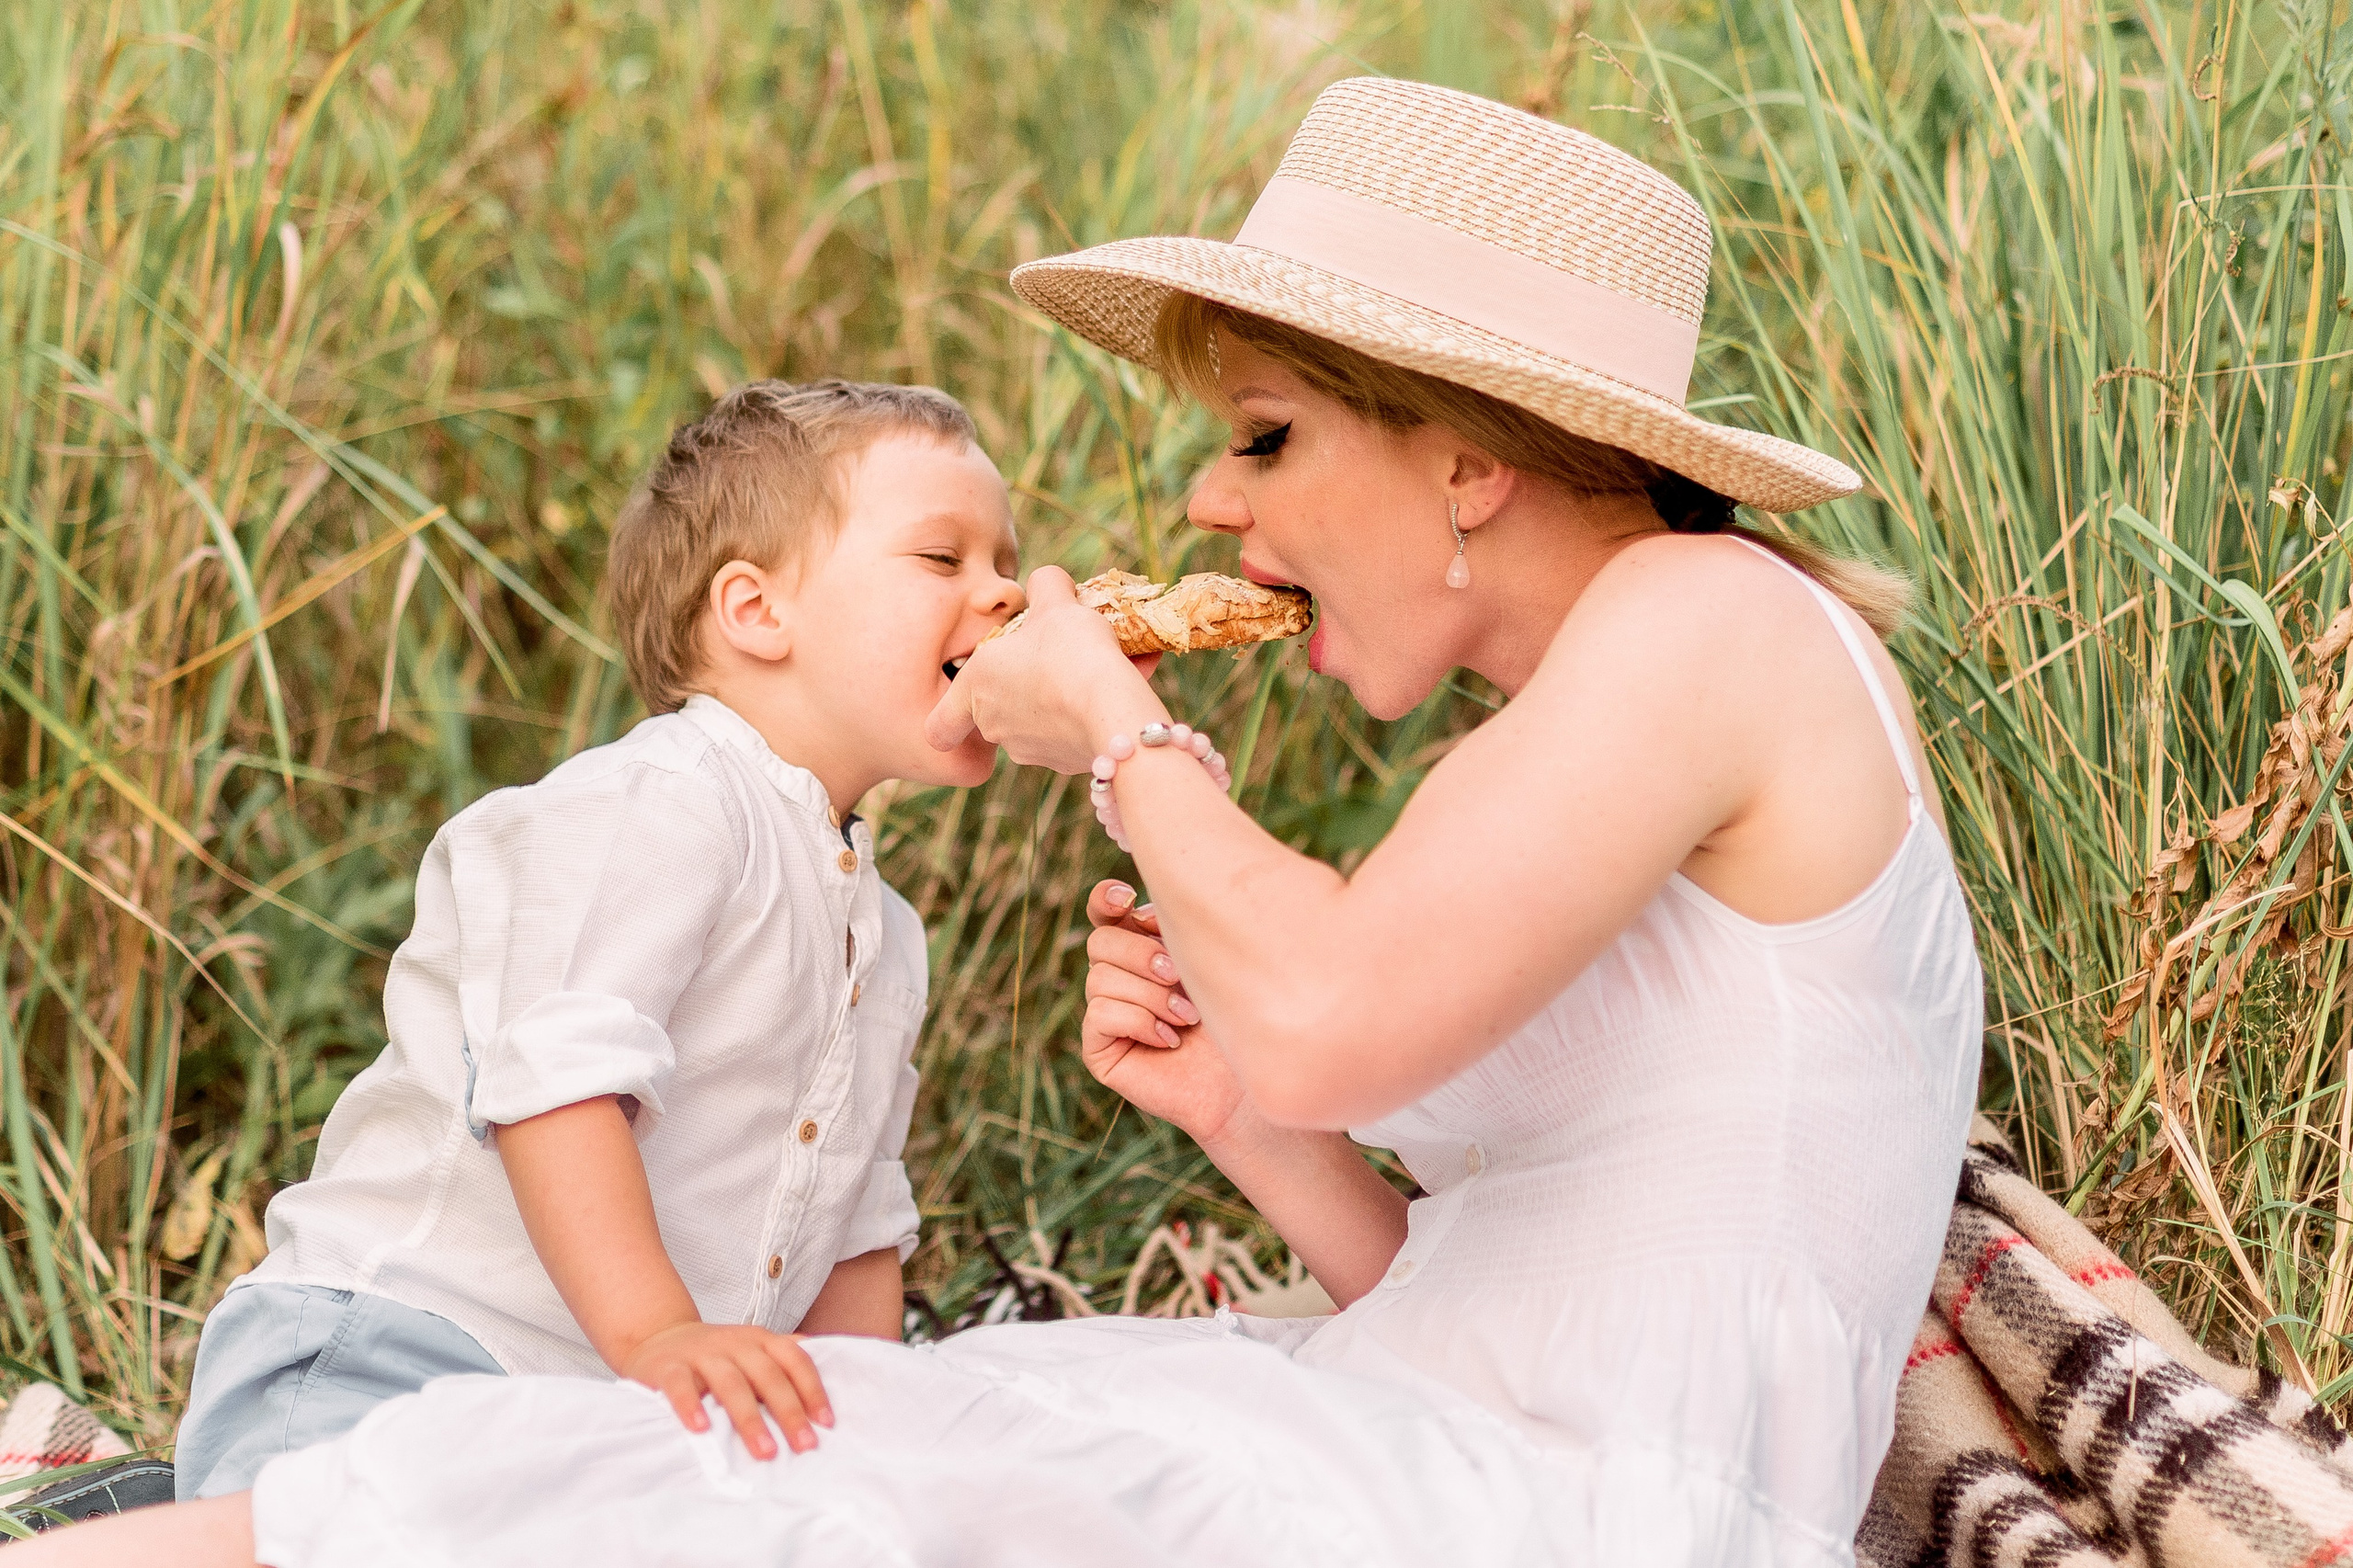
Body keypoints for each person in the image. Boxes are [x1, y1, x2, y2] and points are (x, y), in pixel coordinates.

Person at [28, 76, 1980, 1568]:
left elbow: (1337, 1017)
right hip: (1462, 1432)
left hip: (1563, 1516)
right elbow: (1492, 1294)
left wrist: (1124, 735)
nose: (1212, 512)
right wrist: (1246, 1119)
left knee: (801, 1482)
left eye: (1262, 434)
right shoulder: (1557, 726)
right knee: (814, 1456)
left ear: (1465, 456)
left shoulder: (1704, 618)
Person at [166, 380, 1027, 1498]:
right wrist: (661, 1332)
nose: (1007, 592)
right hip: (400, 1351)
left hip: (602, 1412)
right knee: (332, 1531)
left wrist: (855, 1440)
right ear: (756, 611)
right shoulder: (660, 804)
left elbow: (850, 1219)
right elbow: (558, 1082)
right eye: (943, 559)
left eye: (1007, 560)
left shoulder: (885, 931)